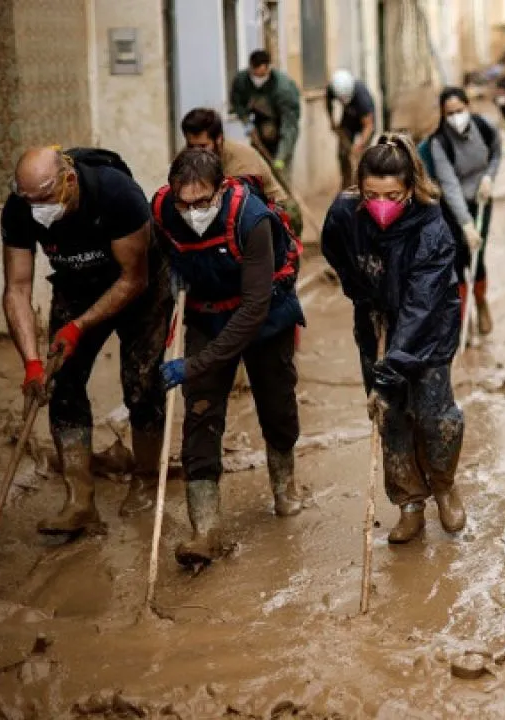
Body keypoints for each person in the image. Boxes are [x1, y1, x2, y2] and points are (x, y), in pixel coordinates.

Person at [1, 146, 172, 537]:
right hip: (75, 286)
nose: (36, 208)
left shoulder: (117, 195)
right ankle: (80, 502)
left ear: (69, 181)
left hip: (138, 287)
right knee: (61, 384)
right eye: (29, 200)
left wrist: (79, 326)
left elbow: (134, 279)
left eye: (44, 198)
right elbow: (17, 288)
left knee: (143, 384)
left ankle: (145, 479)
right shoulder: (20, 207)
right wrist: (31, 363)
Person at [151, 149, 305, 566]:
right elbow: (162, 260)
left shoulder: (251, 219)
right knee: (200, 412)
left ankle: (284, 487)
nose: (193, 212)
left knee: (277, 408)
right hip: (205, 314)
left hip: (264, 317)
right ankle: (205, 529)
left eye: (202, 203)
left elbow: (253, 309)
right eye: (185, 203)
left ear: (220, 190)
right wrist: (175, 276)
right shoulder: (164, 211)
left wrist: (195, 365)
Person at [322, 135, 467, 543]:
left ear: (409, 189)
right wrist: (364, 294)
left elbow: (422, 305)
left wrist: (389, 372)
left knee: (435, 415)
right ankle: (409, 503)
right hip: (376, 321)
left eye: (391, 194)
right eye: (371, 194)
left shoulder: (431, 227)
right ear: (359, 188)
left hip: (430, 328)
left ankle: (443, 485)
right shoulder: (344, 214)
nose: (380, 203)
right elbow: (337, 255)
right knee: (391, 417)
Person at [427, 87, 501, 335]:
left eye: (460, 110)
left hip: (482, 198)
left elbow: (496, 152)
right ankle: (461, 318)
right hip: (453, 205)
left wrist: (489, 177)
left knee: (477, 258)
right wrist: (466, 224)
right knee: (457, 259)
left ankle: (480, 303)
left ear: (468, 107)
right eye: (450, 113)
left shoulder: (484, 127)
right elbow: (449, 185)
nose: (456, 117)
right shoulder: (440, 142)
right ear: (442, 114)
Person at [180, 108, 302, 233]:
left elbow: (243, 208)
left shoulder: (242, 162)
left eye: (203, 146)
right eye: (191, 146)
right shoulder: (187, 156)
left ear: (219, 139)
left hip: (272, 212)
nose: (196, 152)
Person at [229, 50, 302, 177]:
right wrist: (247, 124)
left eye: (262, 75)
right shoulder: (241, 81)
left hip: (283, 130)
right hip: (258, 129)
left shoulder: (284, 89)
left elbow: (289, 126)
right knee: (258, 172)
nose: (258, 79)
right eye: (255, 75)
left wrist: (280, 158)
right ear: (250, 68)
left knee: (281, 175)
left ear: (268, 69)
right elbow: (238, 105)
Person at [327, 69, 377, 189]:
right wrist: (332, 121)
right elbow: (327, 102)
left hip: (365, 124)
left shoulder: (362, 98)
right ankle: (346, 185)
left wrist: (359, 145)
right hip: (349, 119)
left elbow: (368, 126)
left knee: (363, 157)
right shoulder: (332, 89)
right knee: (342, 153)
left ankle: (364, 186)